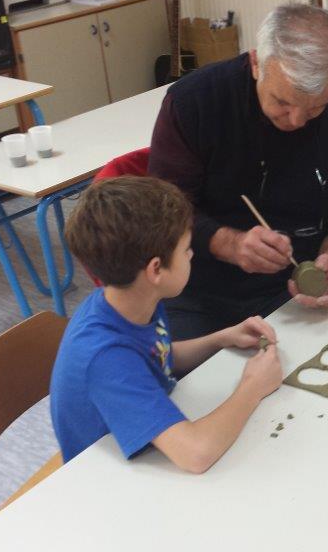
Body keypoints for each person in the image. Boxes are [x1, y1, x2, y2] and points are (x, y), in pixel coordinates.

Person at [147, 2, 328, 340]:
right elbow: (162, 213)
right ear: (256, 63)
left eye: (316, 108)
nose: (297, 121)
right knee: (181, 370)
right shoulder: (195, 102)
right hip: (196, 285)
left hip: (294, 291)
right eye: (282, 102)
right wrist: (229, 243)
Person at [50, 176, 282, 472]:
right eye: (186, 249)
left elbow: (158, 354)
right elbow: (196, 454)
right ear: (156, 269)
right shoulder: (105, 357)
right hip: (108, 477)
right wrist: (253, 386)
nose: (192, 254)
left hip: (148, 445)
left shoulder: (131, 298)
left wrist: (221, 338)